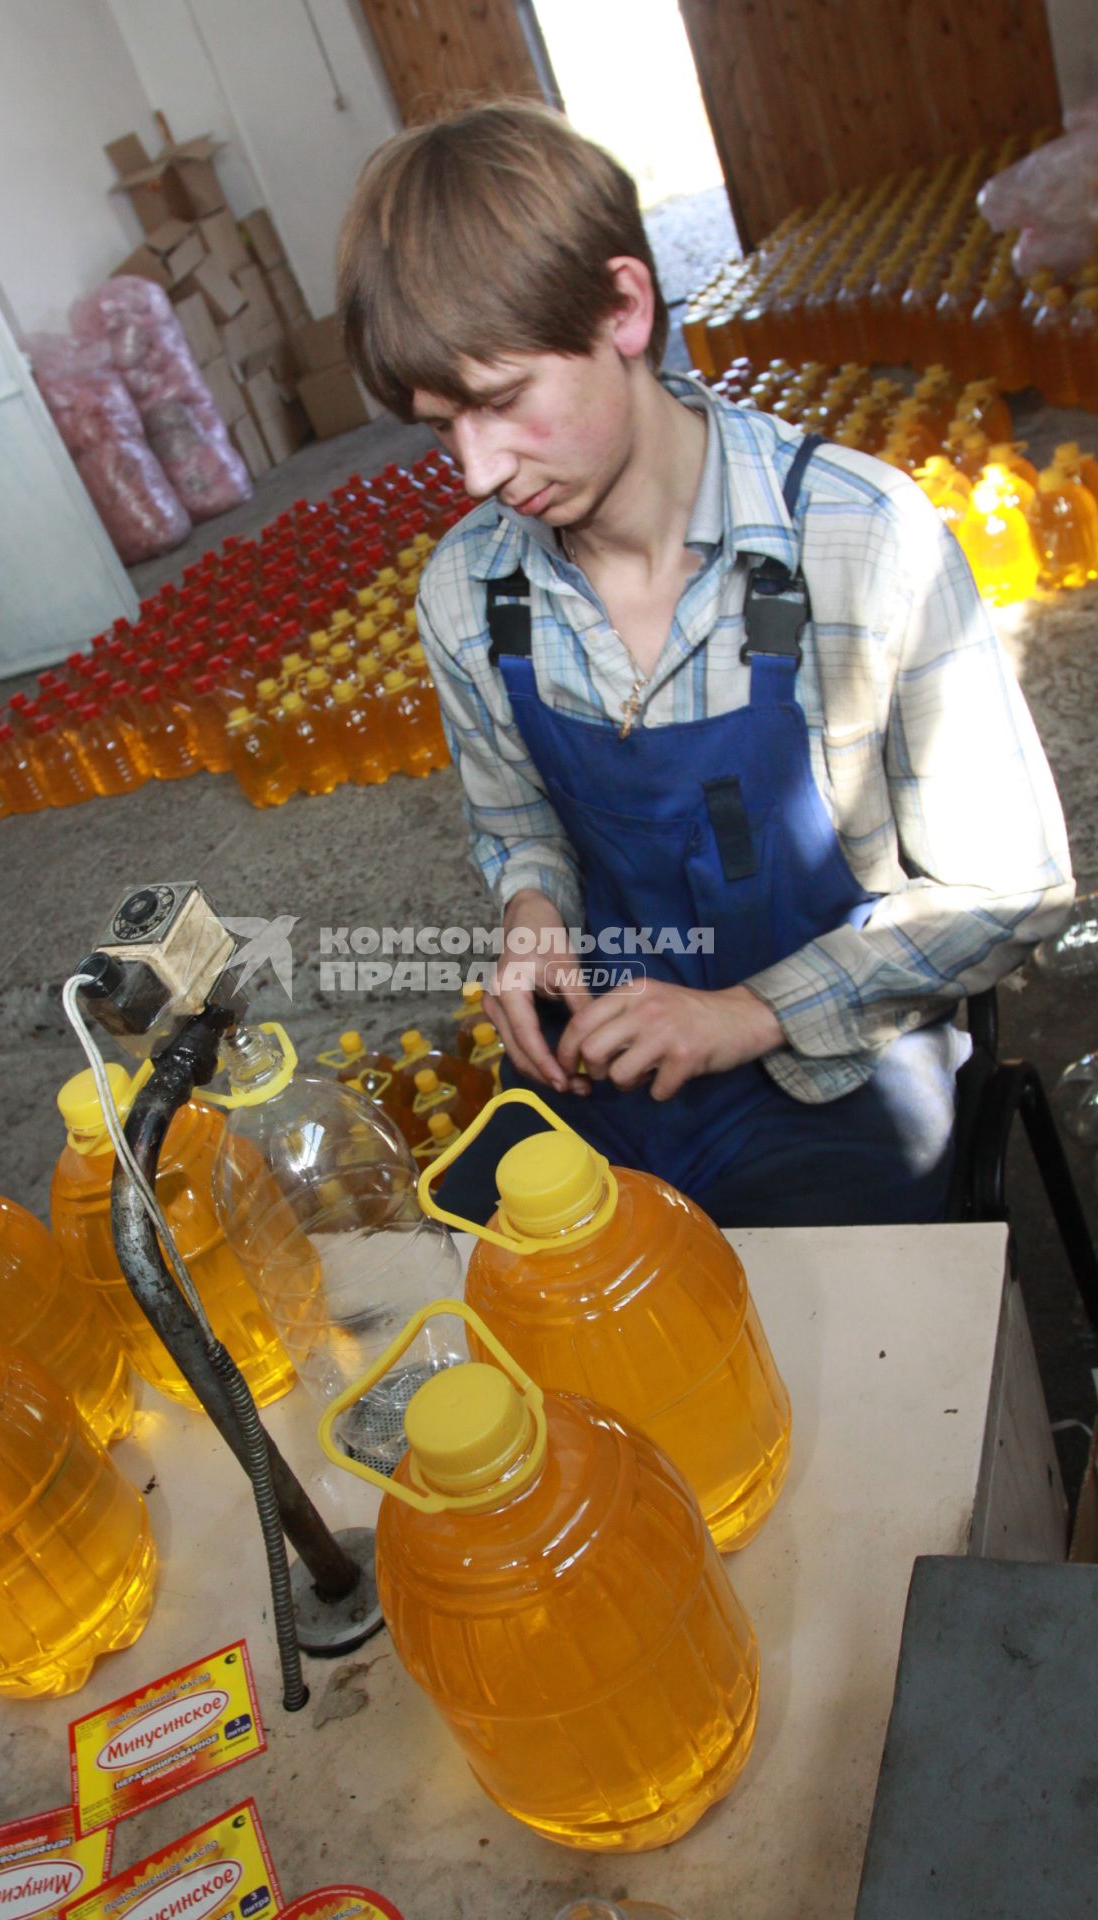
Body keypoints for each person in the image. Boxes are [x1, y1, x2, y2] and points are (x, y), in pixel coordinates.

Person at [335, 101, 1074, 1227]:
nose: (477, 470)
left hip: (837, 1061)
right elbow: (519, 818)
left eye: (499, 402)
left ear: (623, 307)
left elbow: (1011, 886)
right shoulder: (470, 591)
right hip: (615, 1061)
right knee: (492, 1312)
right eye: (441, 427)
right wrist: (532, 903)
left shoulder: (860, 539)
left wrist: (748, 1010)